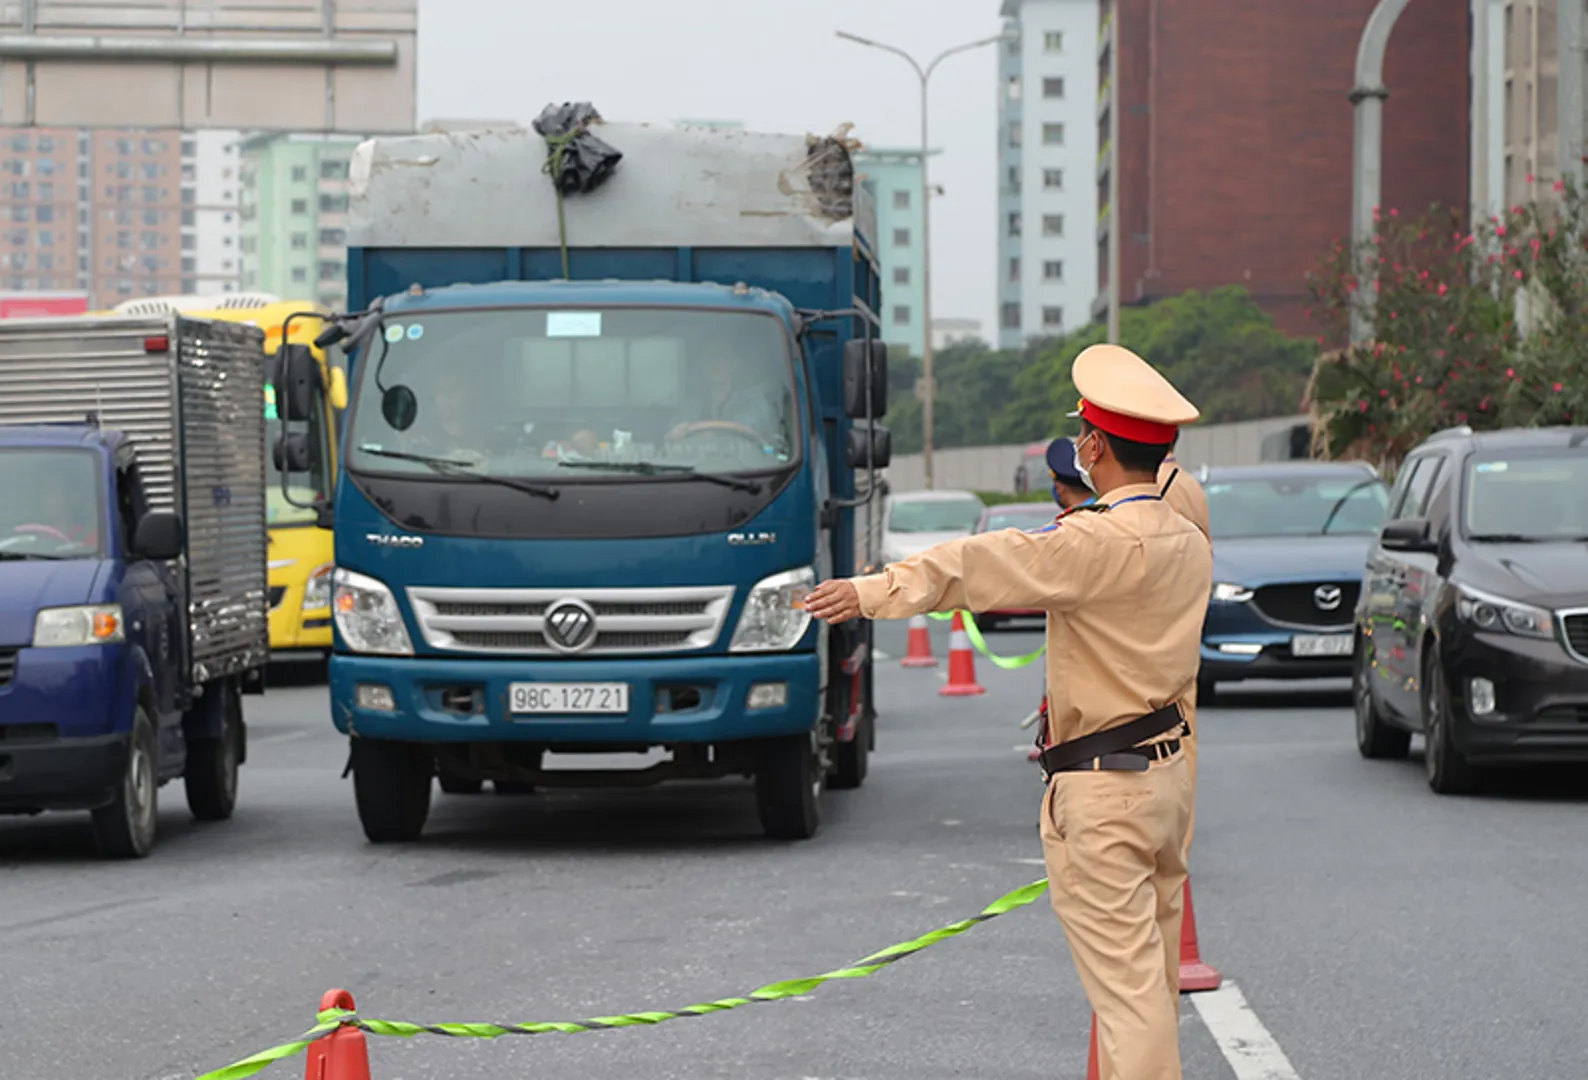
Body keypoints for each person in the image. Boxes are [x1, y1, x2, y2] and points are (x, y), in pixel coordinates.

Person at [805, 343, 1212, 1080]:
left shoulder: (1095, 541)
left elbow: (982, 564)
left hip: (1106, 786)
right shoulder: (1187, 538)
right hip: (1167, 779)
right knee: (1147, 985)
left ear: (1092, 445)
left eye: (1084, 433)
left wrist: (870, 591)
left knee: (1129, 1003)